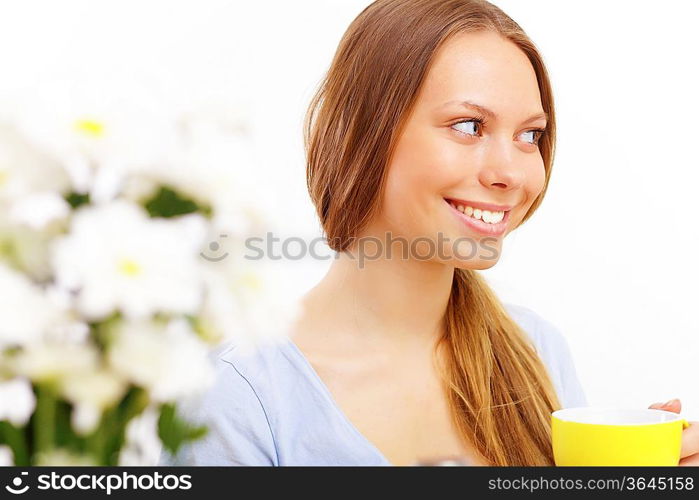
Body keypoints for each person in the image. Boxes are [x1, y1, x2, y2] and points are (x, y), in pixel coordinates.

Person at [160, 0, 697, 466]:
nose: (510, 173)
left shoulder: (537, 351)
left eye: (531, 135)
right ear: (364, 131)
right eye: (469, 126)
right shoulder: (241, 394)